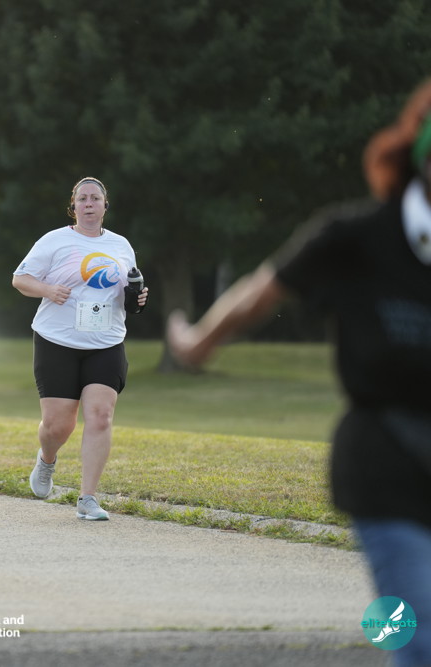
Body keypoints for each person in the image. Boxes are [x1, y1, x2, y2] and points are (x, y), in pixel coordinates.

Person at [167, 80, 431, 667]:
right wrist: (199, 342)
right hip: (387, 464)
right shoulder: (356, 238)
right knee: (420, 640)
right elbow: (263, 291)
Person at [12, 177, 149, 520]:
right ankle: (47, 460)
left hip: (106, 342)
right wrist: (47, 289)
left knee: (100, 415)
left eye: (95, 198)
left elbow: (128, 290)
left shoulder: (121, 245)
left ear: (105, 205)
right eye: (83, 199)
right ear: (73, 206)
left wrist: (137, 298)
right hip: (57, 341)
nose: (89, 204)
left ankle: (87, 499)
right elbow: (20, 279)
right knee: (58, 426)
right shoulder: (54, 240)